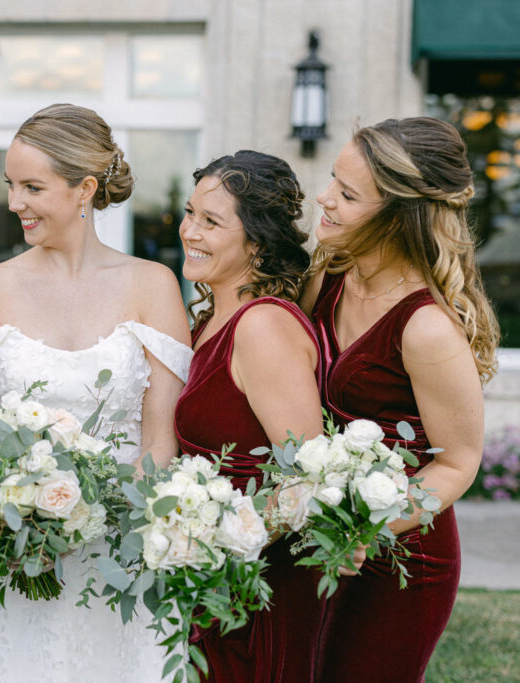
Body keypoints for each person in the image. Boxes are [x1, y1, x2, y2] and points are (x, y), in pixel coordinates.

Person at [0, 103, 194, 682]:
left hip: (118, 555)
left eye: (32, 187)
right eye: (10, 185)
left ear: (84, 188)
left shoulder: (152, 286)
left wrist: (92, 522)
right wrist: (19, 527)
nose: (14, 203)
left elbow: (161, 437)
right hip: (7, 556)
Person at [301, 117, 499, 682]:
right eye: (332, 180)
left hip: (402, 559)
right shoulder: (328, 276)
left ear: (398, 215)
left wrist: (364, 528)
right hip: (320, 538)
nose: (325, 198)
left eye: (346, 193)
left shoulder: (426, 327)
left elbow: (459, 461)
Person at [173, 151, 326, 682]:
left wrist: (216, 541)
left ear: (257, 243)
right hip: (208, 578)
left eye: (211, 222)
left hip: (255, 589)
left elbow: (310, 478)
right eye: (190, 212)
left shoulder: (261, 327)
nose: (189, 230)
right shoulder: (210, 318)